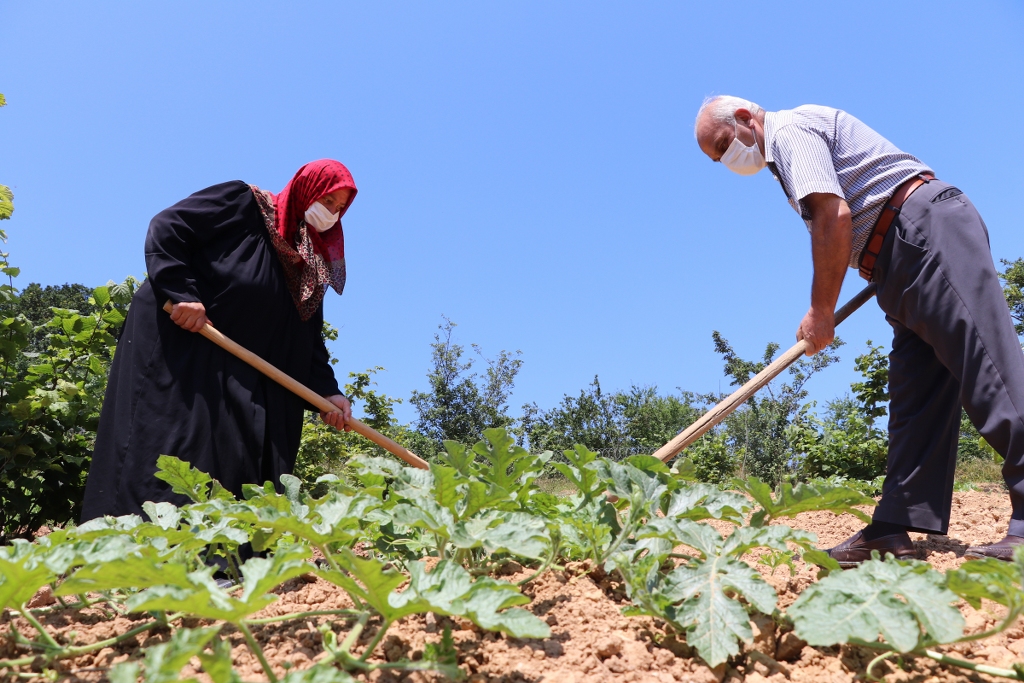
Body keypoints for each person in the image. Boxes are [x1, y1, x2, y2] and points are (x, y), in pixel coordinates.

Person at [694, 96, 1024, 564]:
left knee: (987, 364)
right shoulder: (783, 156)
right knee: (916, 394)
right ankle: (891, 527)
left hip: (922, 231)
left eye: (725, 145)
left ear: (746, 118)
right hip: (896, 259)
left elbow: (833, 216)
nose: (728, 160)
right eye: (717, 158)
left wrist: (820, 309)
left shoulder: (788, 132)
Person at [81, 159, 357, 521]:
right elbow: (169, 226)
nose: (331, 214)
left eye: (340, 209)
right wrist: (182, 293)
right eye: (328, 201)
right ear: (307, 189)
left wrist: (327, 392)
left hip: (246, 368)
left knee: (247, 455)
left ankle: (232, 562)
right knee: (179, 446)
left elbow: (307, 334)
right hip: (186, 341)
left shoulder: (307, 262)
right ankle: (138, 553)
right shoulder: (243, 204)